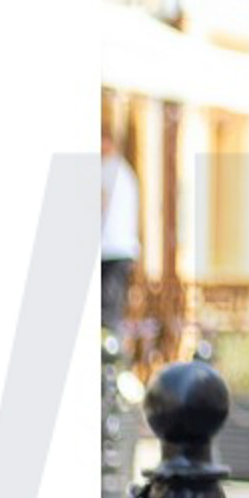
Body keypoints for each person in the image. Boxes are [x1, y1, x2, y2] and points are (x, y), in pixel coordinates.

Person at [99, 122, 140, 338]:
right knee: (111, 310)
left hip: (111, 248)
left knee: (107, 313)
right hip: (119, 247)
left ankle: (109, 352)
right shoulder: (123, 171)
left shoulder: (109, 170)